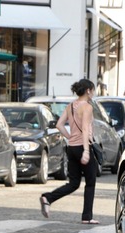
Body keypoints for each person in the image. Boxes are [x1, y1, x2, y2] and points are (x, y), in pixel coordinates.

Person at [39, 78, 100, 224]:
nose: (93, 93)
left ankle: (48, 198)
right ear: (88, 91)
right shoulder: (87, 107)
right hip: (82, 147)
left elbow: (60, 124)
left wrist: (69, 137)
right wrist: (86, 150)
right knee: (90, 181)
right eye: (93, 90)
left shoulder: (71, 106)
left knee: (73, 183)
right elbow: (85, 129)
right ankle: (87, 217)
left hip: (71, 147)